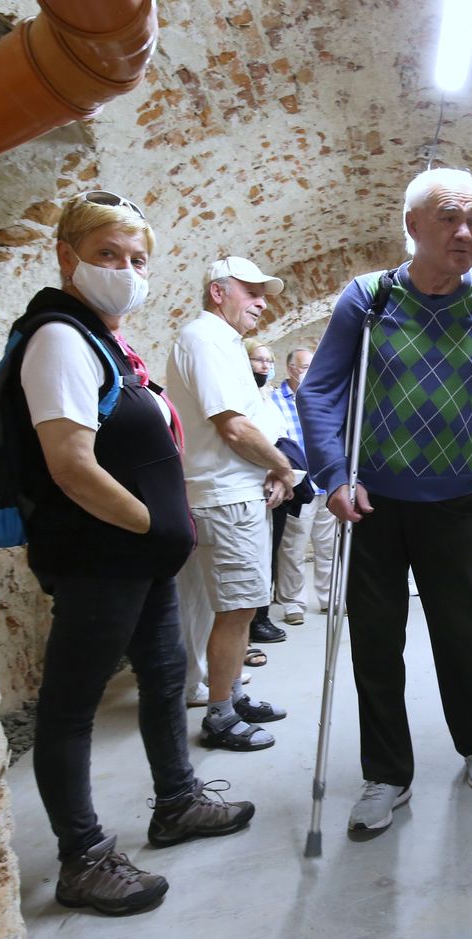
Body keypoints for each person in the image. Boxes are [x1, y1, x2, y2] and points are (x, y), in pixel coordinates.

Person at [17, 191, 252, 915]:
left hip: (138, 560)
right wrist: (152, 526)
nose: (126, 271)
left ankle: (176, 801)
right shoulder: (59, 339)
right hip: (100, 556)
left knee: (164, 672)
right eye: (108, 255)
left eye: (137, 259)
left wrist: (157, 539)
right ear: (68, 258)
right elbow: (70, 465)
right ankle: (83, 858)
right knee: (72, 704)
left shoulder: (103, 341)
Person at [297, 167, 472, 836]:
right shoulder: (369, 298)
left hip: (455, 498)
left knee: (460, 630)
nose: (464, 233)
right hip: (373, 502)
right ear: (412, 226)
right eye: (448, 219)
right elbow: (320, 391)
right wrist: (333, 476)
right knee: (376, 639)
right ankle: (386, 774)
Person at [167, 257, 294, 753]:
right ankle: (219, 716)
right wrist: (282, 468)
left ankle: (233, 694)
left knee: (241, 606)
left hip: (237, 492)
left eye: (264, 294)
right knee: (236, 607)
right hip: (224, 496)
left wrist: (271, 471)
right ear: (218, 292)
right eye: (251, 292)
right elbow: (234, 427)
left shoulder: (224, 343)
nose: (261, 302)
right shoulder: (204, 339)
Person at [271, 346, 337, 619]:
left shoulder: (322, 397)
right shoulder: (275, 400)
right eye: (306, 367)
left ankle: (329, 598)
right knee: (293, 548)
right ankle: (293, 603)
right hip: (299, 485)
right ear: (291, 369)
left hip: (326, 482)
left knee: (328, 547)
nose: (311, 372)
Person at [247, 343, 290, 645]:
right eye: (258, 360)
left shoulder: (268, 397)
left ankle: (261, 616)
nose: (265, 366)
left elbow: (280, 434)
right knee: (252, 558)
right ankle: (251, 621)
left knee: (269, 554)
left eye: (268, 360)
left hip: (277, 484)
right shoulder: (241, 395)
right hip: (253, 484)